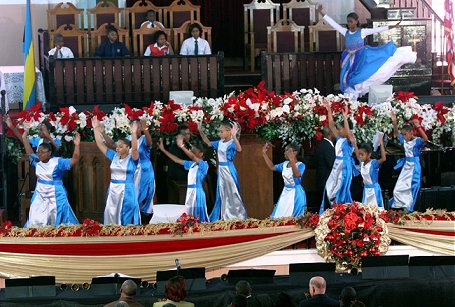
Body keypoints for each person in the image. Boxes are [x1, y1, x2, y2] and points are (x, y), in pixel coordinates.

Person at [316, 5, 416, 100]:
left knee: (360, 77)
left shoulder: (362, 32)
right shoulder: (345, 31)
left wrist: (391, 27)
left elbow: (376, 29)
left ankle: (355, 95)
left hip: (360, 58)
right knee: (347, 79)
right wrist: (322, 13)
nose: (349, 24)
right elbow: (334, 24)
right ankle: (350, 98)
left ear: (356, 21)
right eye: (348, 22)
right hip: (349, 59)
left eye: (351, 21)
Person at [22, 130, 79, 227]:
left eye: (42, 152)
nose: (39, 154)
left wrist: (77, 145)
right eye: (38, 152)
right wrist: (24, 138)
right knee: (36, 215)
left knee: (58, 218)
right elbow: (29, 152)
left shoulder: (58, 162)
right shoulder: (37, 161)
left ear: (49, 153)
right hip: (40, 192)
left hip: (56, 194)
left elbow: (74, 160)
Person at [92, 116, 140, 225]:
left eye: (121, 146)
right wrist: (95, 128)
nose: (117, 148)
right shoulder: (113, 156)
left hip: (127, 191)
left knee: (125, 216)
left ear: (128, 148)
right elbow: (100, 144)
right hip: (113, 190)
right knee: (110, 213)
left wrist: (133, 133)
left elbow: (135, 149)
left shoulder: (133, 159)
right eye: (117, 146)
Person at [198, 121, 247, 221]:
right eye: (219, 131)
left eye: (221, 131)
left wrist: (234, 136)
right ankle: (225, 215)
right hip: (221, 170)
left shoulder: (232, 143)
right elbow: (207, 143)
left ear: (229, 132)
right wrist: (201, 131)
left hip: (229, 170)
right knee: (222, 192)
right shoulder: (219, 142)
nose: (219, 133)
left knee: (232, 192)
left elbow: (239, 149)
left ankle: (237, 215)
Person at [158, 137, 210, 222]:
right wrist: (163, 150)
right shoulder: (191, 164)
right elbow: (176, 160)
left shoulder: (204, 165)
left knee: (198, 216)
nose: (192, 150)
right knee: (189, 214)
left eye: (194, 149)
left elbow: (193, 157)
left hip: (197, 192)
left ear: (201, 153)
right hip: (190, 192)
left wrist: (182, 146)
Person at [319, 104, 358, 214]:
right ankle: (336, 211)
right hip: (337, 166)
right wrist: (329, 110)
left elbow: (348, 132)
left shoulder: (350, 139)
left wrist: (345, 117)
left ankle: (343, 212)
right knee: (330, 188)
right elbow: (331, 125)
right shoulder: (339, 138)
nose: (338, 130)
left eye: (340, 129)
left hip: (345, 167)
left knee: (340, 190)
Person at [388, 112, 428, 211]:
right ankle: (400, 205)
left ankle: (409, 207)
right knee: (398, 188)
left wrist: (418, 126)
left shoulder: (417, 141)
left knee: (413, 187)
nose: (404, 136)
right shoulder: (405, 141)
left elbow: (426, 139)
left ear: (411, 133)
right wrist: (394, 122)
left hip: (414, 167)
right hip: (406, 166)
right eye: (403, 134)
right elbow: (397, 135)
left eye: (405, 134)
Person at [262, 142, 307, 218]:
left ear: (294, 152)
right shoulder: (284, 164)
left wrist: (292, 160)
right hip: (285, 192)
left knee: (293, 217)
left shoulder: (301, 165)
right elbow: (272, 167)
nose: (285, 152)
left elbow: (297, 175)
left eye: (287, 150)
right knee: (280, 215)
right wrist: (264, 153)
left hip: (296, 193)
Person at [351, 132, 386, 207]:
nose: (360, 156)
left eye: (362, 154)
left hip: (374, 191)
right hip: (366, 191)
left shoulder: (373, 163)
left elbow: (383, 158)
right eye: (359, 154)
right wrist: (354, 142)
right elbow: (356, 152)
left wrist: (381, 143)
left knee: (375, 210)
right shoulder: (362, 163)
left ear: (369, 155)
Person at [167, 124, 192, 203]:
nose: (187, 136)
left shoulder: (187, 145)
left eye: (188, 134)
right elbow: (179, 162)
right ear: (179, 135)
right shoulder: (175, 147)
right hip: (179, 174)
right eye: (184, 134)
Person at [315, 126, 336, 211]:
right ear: (330, 133)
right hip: (326, 183)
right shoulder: (327, 147)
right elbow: (333, 165)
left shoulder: (324, 144)